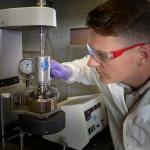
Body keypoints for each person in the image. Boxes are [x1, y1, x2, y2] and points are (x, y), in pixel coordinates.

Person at [50, 0, 150, 150]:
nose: (91, 63)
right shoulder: (109, 73)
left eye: (102, 55)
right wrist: (67, 70)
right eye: (91, 51)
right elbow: (84, 68)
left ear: (142, 55)